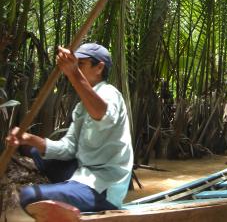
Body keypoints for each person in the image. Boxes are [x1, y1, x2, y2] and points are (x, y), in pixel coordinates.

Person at [6, 43, 134, 213]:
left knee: (29, 195)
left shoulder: (110, 93)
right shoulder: (81, 107)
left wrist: (73, 73)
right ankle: (68, 190)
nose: (76, 67)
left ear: (99, 67)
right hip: (82, 170)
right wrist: (29, 139)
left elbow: (102, 115)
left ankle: (76, 197)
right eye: (76, 64)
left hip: (104, 187)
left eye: (81, 64)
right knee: (37, 153)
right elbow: (68, 148)